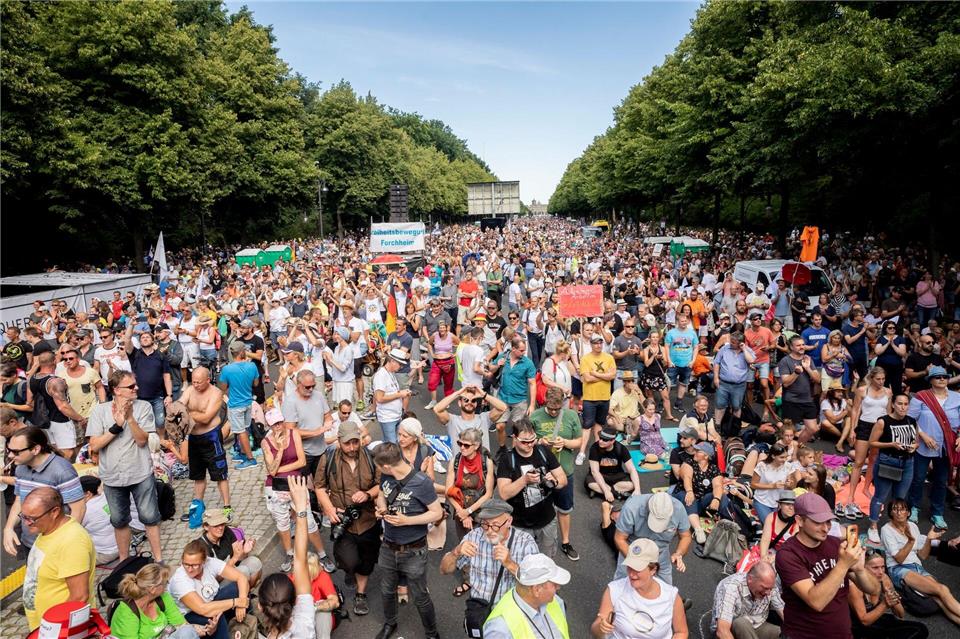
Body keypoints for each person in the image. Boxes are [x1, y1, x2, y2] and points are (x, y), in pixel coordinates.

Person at [775, 492, 879, 639]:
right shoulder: (788, 555)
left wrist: (860, 569)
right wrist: (843, 565)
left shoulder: (835, 545)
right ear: (799, 520)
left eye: (829, 521)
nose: (826, 528)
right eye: (818, 522)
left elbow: (874, 589)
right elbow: (816, 602)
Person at [86, 370, 163, 561]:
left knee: (150, 517)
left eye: (134, 384)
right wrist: (115, 427)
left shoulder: (143, 407)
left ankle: (159, 559)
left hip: (140, 472)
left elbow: (142, 441)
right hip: (112, 476)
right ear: (116, 390)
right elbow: (94, 445)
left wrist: (129, 419)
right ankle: (123, 561)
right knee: (119, 521)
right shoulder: (99, 411)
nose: (136, 388)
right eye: (130, 386)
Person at [373, 442, 443, 639]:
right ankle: (390, 623)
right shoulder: (387, 476)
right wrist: (382, 508)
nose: (378, 470)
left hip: (414, 550)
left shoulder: (422, 482)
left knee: (420, 596)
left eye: (378, 466)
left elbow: (437, 513)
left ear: (387, 465)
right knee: (387, 590)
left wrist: (407, 521)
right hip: (388, 545)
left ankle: (432, 633)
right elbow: (381, 495)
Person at [439, 498, 539, 634]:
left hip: (509, 613)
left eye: (496, 525)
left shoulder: (525, 543)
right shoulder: (474, 537)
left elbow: (536, 585)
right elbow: (444, 570)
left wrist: (510, 563)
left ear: (509, 521)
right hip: (480, 609)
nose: (489, 531)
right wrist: (456, 552)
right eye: (485, 524)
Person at [314, 421, 381, 616]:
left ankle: (361, 594)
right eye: (347, 444)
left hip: (368, 520)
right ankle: (349, 570)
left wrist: (368, 494)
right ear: (340, 441)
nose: (352, 448)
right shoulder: (328, 458)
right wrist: (328, 508)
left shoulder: (370, 457)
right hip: (342, 521)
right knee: (348, 560)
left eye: (355, 442)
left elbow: (380, 484)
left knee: (367, 561)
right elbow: (319, 486)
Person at [3, 426, 85, 560]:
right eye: (9, 450)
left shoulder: (62, 471)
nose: (11, 456)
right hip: (30, 542)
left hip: (56, 546)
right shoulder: (20, 469)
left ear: (35, 449)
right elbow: (19, 500)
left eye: (16, 452)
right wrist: (8, 528)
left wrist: (62, 542)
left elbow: (79, 509)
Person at [21, 486, 97, 630]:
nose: (26, 523)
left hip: (59, 628)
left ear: (55, 512)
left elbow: (79, 596)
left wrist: (52, 629)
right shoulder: (47, 529)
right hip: (44, 624)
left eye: (32, 518)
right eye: (23, 516)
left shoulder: (72, 541)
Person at [880, 497, 960, 625]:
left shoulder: (912, 526)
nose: (899, 512)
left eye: (902, 509)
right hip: (899, 569)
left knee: (938, 597)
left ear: (908, 513)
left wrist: (928, 539)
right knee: (942, 589)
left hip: (918, 567)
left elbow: (922, 555)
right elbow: (899, 559)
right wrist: (910, 541)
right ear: (890, 513)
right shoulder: (886, 529)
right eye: (895, 509)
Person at [496, 419, 568, 558]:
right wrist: (524, 480)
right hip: (520, 524)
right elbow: (504, 493)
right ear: (515, 439)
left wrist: (555, 481)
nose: (530, 444)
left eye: (533, 440)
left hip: (546, 521)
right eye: (525, 442)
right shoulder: (507, 460)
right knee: (522, 560)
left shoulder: (543, 452)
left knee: (547, 560)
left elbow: (563, 479)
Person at [591, 538, 688, 639]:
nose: (632, 574)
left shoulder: (671, 596)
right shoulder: (615, 590)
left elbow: (681, 632)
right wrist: (601, 628)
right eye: (629, 567)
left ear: (653, 569)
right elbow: (596, 632)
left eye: (637, 569)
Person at [529, 386, 584, 561]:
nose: (553, 412)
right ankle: (536, 540)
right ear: (544, 401)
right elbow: (526, 442)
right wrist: (540, 441)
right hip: (541, 473)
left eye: (557, 409)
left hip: (564, 472)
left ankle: (566, 542)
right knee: (537, 506)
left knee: (564, 509)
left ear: (563, 404)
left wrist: (565, 442)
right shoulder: (535, 416)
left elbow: (579, 441)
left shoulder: (571, 415)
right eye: (550, 408)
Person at [257, 475, 316, 639]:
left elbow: (299, 560)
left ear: (260, 607)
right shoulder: (304, 620)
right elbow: (300, 559)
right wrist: (301, 509)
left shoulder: (303, 612)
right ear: (295, 601)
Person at [443, 427, 496, 595]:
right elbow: (448, 491)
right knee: (465, 545)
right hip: (460, 510)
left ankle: (487, 578)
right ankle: (469, 580)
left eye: (466, 445)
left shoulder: (486, 462)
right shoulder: (455, 461)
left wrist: (469, 511)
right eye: (460, 444)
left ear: (476, 445)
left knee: (485, 546)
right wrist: (461, 511)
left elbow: (488, 493)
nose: (462, 448)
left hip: (481, 511)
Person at [907, 366, 959, 529]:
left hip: (947, 446)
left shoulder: (957, 398)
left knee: (941, 480)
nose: (942, 379)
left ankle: (937, 512)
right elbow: (910, 419)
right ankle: (914, 507)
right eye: (938, 377)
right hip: (925, 445)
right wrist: (923, 435)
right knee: (918, 478)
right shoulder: (922, 397)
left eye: (945, 377)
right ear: (930, 380)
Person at [168, 538, 251, 639]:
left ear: (204, 561)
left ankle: (247, 624)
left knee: (237, 588)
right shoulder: (179, 580)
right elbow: (203, 609)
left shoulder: (210, 562)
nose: (189, 569)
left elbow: (241, 577)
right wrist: (236, 602)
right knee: (215, 617)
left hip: (212, 601)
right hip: (193, 614)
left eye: (194, 565)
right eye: (186, 564)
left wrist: (242, 603)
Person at [866, 394, 918, 544]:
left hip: (907, 462)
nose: (903, 407)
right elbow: (872, 442)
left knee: (900, 498)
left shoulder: (911, 421)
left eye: (906, 404)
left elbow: (916, 441)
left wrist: (914, 446)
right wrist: (891, 444)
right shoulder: (883, 421)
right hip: (888, 461)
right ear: (893, 404)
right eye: (900, 403)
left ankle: (896, 526)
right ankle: (873, 526)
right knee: (880, 496)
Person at [110, 562, 209, 639]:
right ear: (153, 589)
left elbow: (181, 624)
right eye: (165, 583)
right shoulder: (126, 613)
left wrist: (204, 629)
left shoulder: (163, 597)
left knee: (187, 631)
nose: (167, 585)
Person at [484, 552, 571, 639]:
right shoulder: (500, 629)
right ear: (537, 589)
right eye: (554, 584)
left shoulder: (555, 601)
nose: (558, 587)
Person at [613, 491, 692, 585]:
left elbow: (686, 536)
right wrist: (635, 561)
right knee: (622, 587)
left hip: (660, 553)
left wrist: (678, 553)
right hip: (633, 550)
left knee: (666, 589)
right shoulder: (632, 507)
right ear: (648, 509)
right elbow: (619, 538)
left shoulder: (679, 509)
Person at [843, 367, 892, 520]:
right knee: (858, 461)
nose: (881, 382)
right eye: (878, 379)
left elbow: (889, 412)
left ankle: (865, 488)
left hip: (880, 427)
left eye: (883, 379)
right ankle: (851, 494)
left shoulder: (888, 392)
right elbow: (856, 410)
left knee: (873, 460)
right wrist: (852, 429)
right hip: (865, 425)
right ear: (871, 378)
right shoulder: (862, 390)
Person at [849, 548, 929, 639]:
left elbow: (900, 614)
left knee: (920, 629)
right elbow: (864, 621)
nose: (880, 572)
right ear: (863, 568)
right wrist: (885, 604)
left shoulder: (883, 578)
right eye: (875, 568)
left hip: (878, 620)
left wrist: (890, 593)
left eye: (882, 567)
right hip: (859, 627)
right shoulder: (854, 586)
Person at [26, 351, 86, 459]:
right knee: (67, 452)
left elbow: (29, 401)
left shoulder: (32, 379)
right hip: (60, 421)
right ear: (54, 361)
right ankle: (61, 474)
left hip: (44, 422)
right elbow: (63, 407)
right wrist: (80, 418)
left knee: (56, 451)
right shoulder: (55, 382)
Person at [281, 368, 334, 479]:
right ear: (299, 384)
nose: (311, 389)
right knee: (305, 487)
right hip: (303, 453)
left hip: (321, 449)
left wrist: (329, 422)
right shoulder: (290, 402)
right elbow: (290, 431)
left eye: (313, 386)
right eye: (307, 387)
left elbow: (327, 415)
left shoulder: (318, 395)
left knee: (322, 483)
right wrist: (316, 432)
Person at [123, 322, 174, 433]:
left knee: (160, 422)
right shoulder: (135, 354)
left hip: (157, 396)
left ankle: (160, 443)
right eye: (142, 338)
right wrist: (131, 325)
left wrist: (169, 395)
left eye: (147, 337)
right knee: (141, 422)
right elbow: (127, 339)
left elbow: (167, 376)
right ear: (140, 342)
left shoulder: (161, 356)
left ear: (153, 341)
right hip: (139, 396)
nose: (145, 339)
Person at [710, 561, 783, 639]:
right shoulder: (731, 588)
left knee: (786, 634)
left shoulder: (769, 584)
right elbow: (722, 632)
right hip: (731, 630)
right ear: (750, 579)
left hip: (757, 626)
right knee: (741, 623)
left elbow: (783, 611)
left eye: (770, 589)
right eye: (764, 588)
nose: (768, 593)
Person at [576, 333, 617, 465]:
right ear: (591, 344)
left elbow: (612, 376)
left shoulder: (609, 357)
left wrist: (595, 373)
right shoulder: (585, 359)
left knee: (599, 426)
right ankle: (581, 452)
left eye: (600, 342)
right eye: (595, 343)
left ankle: (596, 451)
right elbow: (587, 378)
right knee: (587, 426)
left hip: (604, 397)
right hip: (590, 398)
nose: (598, 345)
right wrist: (604, 375)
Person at [491, 335, 537, 449]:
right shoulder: (503, 356)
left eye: (524, 350)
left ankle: (513, 453)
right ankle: (502, 449)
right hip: (503, 398)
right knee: (500, 426)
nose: (523, 352)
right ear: (513, 349)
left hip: (520, 400)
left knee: (518, 430)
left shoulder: (528, 363)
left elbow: (532, 384)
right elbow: (491, 369)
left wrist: (531, 405)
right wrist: (497, 365)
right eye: (521, 350)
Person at [218, 341, 259, 470]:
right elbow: (256, 384)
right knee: (244, 429)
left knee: (240, 431)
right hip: (248, 402)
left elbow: (223, 387)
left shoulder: (227, 369)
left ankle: (250, 458)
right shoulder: (252, 366)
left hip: (235, 404)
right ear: (242, 352)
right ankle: (243, 453)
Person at [197, 509, 263, 587]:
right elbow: (215, 579)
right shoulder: (201, 547)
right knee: (243, 571)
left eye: (222, 524)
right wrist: (234, 558)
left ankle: (247, 594)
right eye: (216, 525)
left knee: (255, 562)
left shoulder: (226, 531)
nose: (221, 528)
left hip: (232, 570)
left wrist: (244, 551)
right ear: (206, 527)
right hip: (216, 585)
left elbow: (239, 558)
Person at [434, 383, 507, 452]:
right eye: (466, 400)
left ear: (476, 404)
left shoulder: (484, 418)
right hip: (460, 464)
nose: (469, 402)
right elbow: (437, 409)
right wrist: (457, 394)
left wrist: (484, 395)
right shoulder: (452, 420)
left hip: (482, 464)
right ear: (459, 403)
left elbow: (503, 408)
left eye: (473, 400)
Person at [778, 335, 821, 443]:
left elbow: (818, 380)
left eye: (803, 345)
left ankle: (797, 448)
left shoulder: (808, 359)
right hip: (791, 401)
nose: (802, 347)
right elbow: (786, 383)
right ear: (791, 347)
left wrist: (807, 368)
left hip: (807, 399)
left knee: (813, 428)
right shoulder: (785, 361)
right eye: (798, 345)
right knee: (788, 432)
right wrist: (796, 373)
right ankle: (785, 452)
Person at [712, 331, 756, 426]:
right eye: (731, 341)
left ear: (740, 343)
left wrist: (744, 349)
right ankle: (717, 426)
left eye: (733, 342)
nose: (731, 343)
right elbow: (716, 363)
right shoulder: (724, 349)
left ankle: (735, 427)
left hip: (739, 386)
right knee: (720, 405)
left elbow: (751, 360)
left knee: (736, 406)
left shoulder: (747, 351)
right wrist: (716, 378)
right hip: (723, 383)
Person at [586, 426, 641, 500]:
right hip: (601, 474)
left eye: (605, 440)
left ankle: (601, 491)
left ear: (612, 441)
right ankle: (617, 493)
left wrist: (638, 490)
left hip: (616, 475)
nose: (601, 441)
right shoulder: (594, 448)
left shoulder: (621, 448)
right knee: (591, 484)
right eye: (600, 438)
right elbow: (595, 471)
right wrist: (606, 491)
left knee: (632, 485)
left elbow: (632, 470)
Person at [750, 443, 800, 524]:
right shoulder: (762, 466)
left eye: (786, 457)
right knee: (770, 524)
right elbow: (753, 484)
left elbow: (792, 487)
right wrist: (772, 486)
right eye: (781, 457)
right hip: (762, 501)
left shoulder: (788, 467)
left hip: (779, 503)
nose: (785, 460)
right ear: (773, 456)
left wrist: (789, 485)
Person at [373, 349, 413, 444]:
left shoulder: (390, 373)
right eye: (400, 364)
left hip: (395, 415)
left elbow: (391, 392)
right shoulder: (381, 375)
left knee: (395, 443)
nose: (401, 366)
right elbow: (379, 398)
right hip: (387, 417)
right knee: (392, 446)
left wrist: (402, 393)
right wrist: (400, 394)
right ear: (392, 361)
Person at [665, 313, 698, 413]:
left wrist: (693, 360)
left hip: (687, 363)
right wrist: (669, 360)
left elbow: (696, 347)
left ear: (688, 321)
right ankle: (664, 402)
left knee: (683, 384)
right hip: (673, 363)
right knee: (668, 384)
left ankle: (678, 402)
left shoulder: (692, 333)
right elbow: (666, 346)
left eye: (685, 321)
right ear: (677, 322)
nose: (684, 323)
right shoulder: (671, 333)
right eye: (681, 321)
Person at [639, 330, 676, 421]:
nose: (655, 339)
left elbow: (665, 364)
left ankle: (669, 415)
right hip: (649, 375)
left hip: (659, 376)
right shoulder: (646, 349)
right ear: (650, 338)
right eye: (653, 337)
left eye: (656, 337)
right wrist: (653, 356)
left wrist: (662, 358)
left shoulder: (662, 348)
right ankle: (652, 416)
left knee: (666, 396)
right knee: (650, 397)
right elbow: (647, 363)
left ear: (659, 338)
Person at [425, 319, 459, 409]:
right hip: (437, 362)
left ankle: (446, 401)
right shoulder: (435, 335)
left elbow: (460, 344)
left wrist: (455, 354)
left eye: (443, 327)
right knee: (432, 382)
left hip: (449, 362)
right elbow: (429, 344)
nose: (442, 330)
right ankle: (433, 401)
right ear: (438, 329)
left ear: (447, 328)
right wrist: (432, 354)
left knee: (448, 385)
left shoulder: (451, 336)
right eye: (440, 328)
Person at [757, 489, 799, 559]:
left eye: (793, 505)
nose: (791, 508)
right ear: (780, 505)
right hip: (772, 552)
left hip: (788, 555)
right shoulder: (771, 517)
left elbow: (791, 546)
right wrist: (763, 557)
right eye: (787, 504)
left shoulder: (797, 521)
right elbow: (765, 539)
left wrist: (774, 558)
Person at [608, 371, 644, 439]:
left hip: (634, 418)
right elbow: (609, 409)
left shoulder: (636, 391)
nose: (631, 383)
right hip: (622, 419)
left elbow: (645, 406)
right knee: (610, 421)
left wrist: (639, 392)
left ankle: (627, 431)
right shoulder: (617, 393)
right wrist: (616, 416)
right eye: (628, 381)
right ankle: (629, 431)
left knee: (643, 422)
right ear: (624, 382)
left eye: (632, 381)